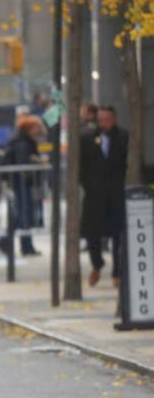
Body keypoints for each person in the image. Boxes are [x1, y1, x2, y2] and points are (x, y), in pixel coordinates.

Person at [80, 106, 128, 288]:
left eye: (107, 120)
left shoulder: (124, 137)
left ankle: (117, 272)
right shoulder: (87, 138)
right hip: (94, 195)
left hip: (116, 195)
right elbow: (81, 166)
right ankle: (97, 264)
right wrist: (88, 185)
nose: (103, 124)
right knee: (92, 234)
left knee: (118, 235)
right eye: (100, 120)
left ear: (114, 119)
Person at [0, 114, 46, 257]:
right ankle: (22, 245)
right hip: (22, 185)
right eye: (35, 128)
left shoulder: (22, 141)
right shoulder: (22, 143)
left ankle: (15, 243)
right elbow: (23, 163)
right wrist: (36, 161)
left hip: (22, 184)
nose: (37, 132)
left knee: (21, 216)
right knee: (23, 215)